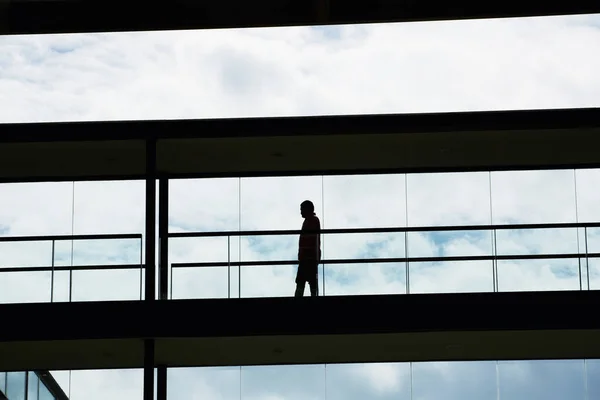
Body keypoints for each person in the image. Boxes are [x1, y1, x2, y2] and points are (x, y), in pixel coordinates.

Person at [295, 200, 321, 297]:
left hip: (309, 257)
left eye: (302, 209)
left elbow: (310, 239)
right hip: (309, 257)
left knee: (304, 282)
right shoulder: (310, 221)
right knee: (308, 282)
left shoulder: (312, 220)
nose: (301, 212)